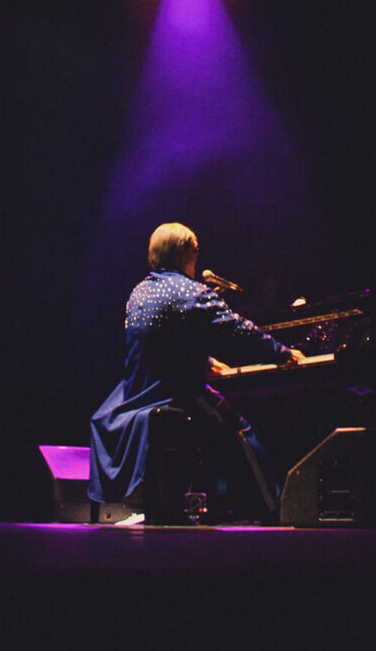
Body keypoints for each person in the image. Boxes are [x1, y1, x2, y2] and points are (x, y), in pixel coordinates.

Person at [88, 222, 304, 522]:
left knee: (216, 419)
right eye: (195, 249)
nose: (198, 256)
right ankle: (269, 510)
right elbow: (239, 330)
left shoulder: (138, 292)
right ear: (181, 253)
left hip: (132, 395)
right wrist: (282, 352)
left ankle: (202, 505)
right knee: (239, 428)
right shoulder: (191, 291)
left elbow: (161, 341)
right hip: (170, 393)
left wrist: (204, 362)